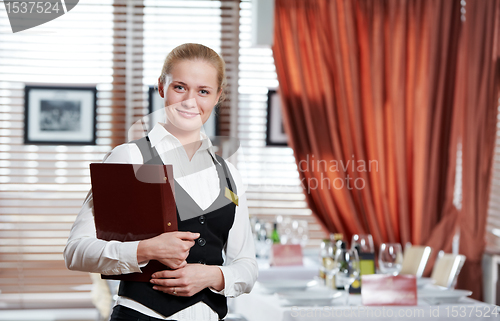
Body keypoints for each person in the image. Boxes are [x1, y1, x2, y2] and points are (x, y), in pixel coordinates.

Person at [64, 43, 258, 321]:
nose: (190, 101)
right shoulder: (129, 158)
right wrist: (145, 249)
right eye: (180, 87)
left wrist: (213, 275)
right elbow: (76, 251)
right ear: (161, 87)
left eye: (203, 91)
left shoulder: (230, 174)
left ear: (218, 96)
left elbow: (247, 266)